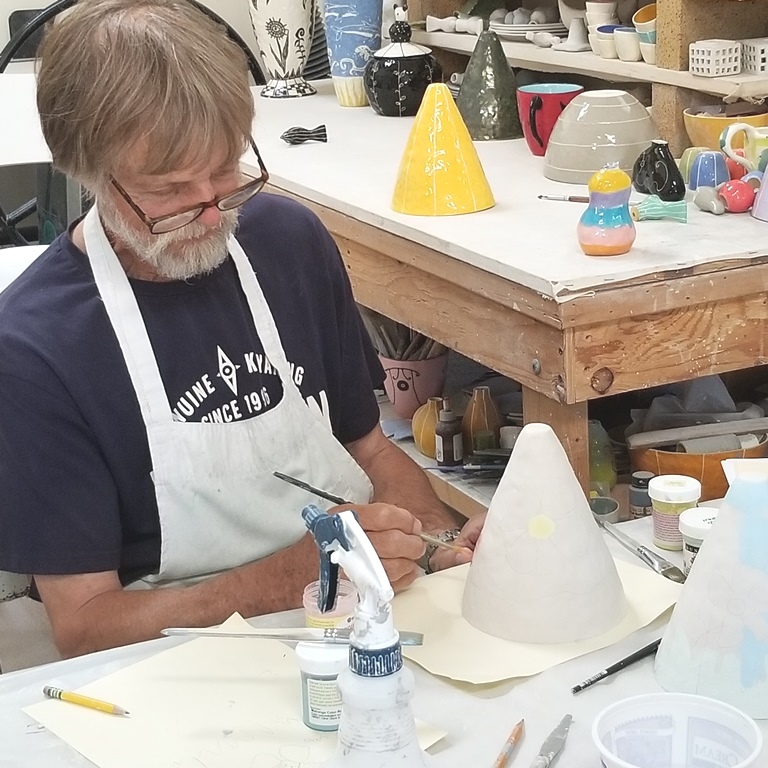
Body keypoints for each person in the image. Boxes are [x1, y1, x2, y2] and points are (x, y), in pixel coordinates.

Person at [0, 0, 484, 659]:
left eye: (227, 170)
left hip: (349, 614)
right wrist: (271, 584)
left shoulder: (289, 242)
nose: (211, 213)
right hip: (174, 657)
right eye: (171, 190)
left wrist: (429, 538)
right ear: (88, 173)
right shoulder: (36, 348)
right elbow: (85, 624)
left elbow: (369, 452)